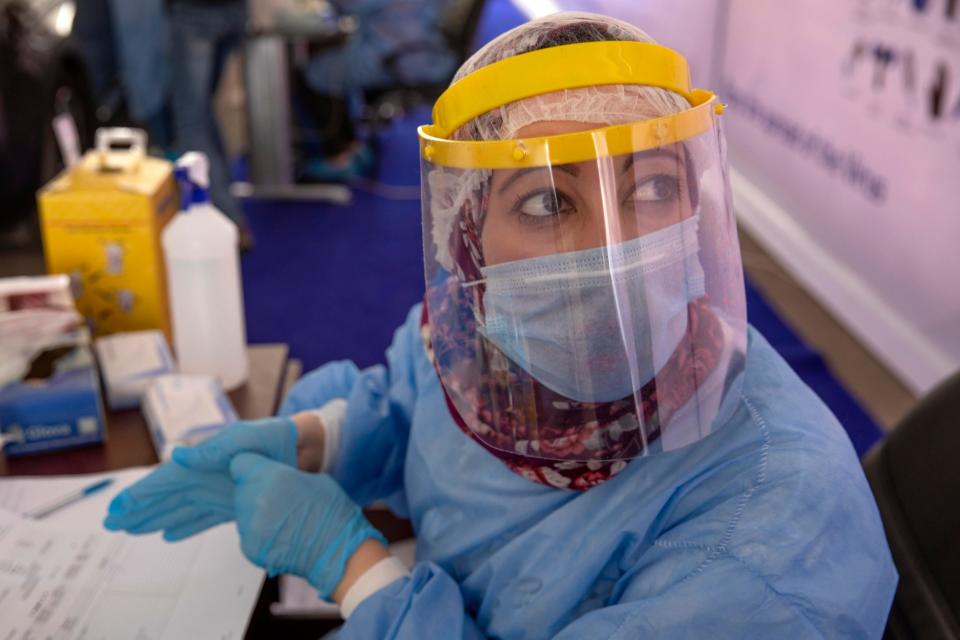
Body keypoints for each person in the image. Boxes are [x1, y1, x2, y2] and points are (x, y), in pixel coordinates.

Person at [104, 13, 898, 638]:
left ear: (698, 203)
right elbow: (420, 400)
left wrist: (354, 570)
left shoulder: (772, 523)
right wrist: (317, 437)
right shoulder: (481, 331)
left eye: (652, 187)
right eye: (550, 201)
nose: (614, 251)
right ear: (468, 236)